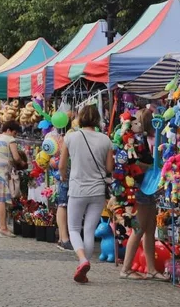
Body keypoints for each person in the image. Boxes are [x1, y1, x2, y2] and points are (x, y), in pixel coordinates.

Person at [60, 104, 115, 284]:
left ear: (80, 118)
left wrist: (62, 177)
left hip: (77, 188)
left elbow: (62, 165)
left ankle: (82, 260)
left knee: (74, 228)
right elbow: (109, 168)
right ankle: (86, 263)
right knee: (89, 230)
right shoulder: (105, 139)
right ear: (97, 119)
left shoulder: (71, 138)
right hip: (98, 190)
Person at [121, 107, 165, 280]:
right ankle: (125, 269)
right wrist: (154, 168)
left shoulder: (147, 140)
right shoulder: (138, 143)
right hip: (142, 187)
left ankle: (151, 269)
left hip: (147, 187)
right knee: (139, 228)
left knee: (149, 228)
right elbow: (138, 165)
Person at [0, 119, 26, 239]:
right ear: (9, 130)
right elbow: (16, 157)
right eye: (14, 133)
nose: (15, 136)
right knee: (1, 199)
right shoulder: (10, 139)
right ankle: (3, 228)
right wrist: (22, 163)